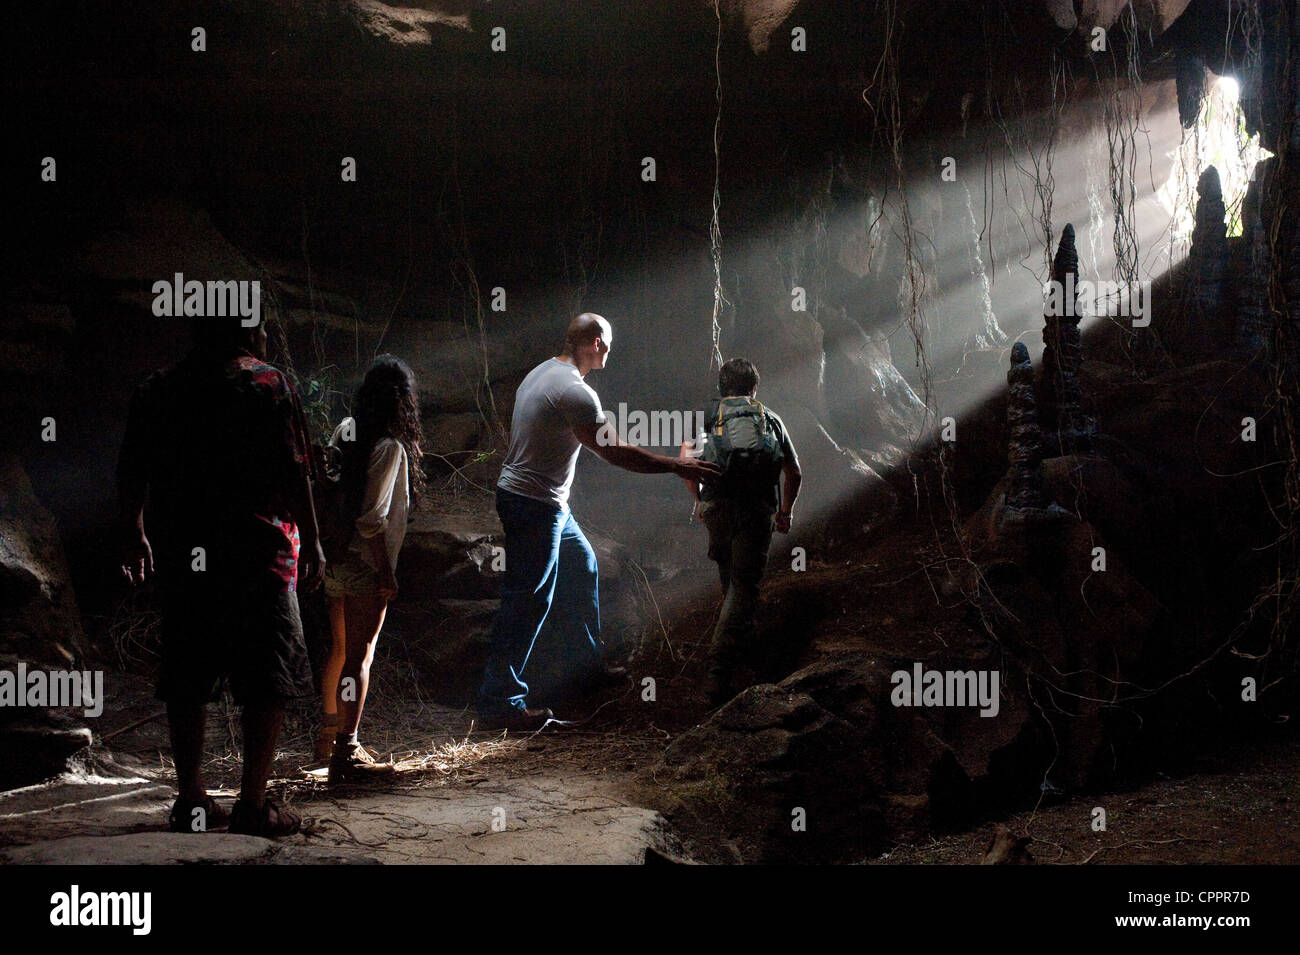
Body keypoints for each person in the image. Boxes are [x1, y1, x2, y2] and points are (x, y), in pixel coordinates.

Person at [118, 313, 324, 838]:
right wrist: (316, 541)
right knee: (267, 675)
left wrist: (133, 533)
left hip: (187, 553)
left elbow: (130, 470)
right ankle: (252, 803)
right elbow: (296, 468)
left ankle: (191, 799)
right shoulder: (268, 383)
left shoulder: (159, 388)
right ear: (246, 332)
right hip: (262, 551)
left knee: (189, 670)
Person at [478, 313, 722, 729]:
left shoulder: (543, 373)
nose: (609, 351)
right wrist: (677, 466)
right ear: (593, 343)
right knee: (528, 599)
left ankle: (584, 668)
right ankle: (501, 701)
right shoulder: (574, 392)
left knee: (582, 564)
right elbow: (617, 453)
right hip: (534, 503)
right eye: (606, 343)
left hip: (544, 500)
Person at [317, 355, 425, 783]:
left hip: (334, 557)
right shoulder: (390, 448)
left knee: (339, 649)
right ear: (403, 402)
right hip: (363, 562)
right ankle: (347, 749)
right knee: (360, 656)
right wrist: (386, 573)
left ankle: (328, 737)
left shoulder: (348, 429)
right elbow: (372, 519)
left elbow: (329, 484)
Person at [679, 358, 801, 707]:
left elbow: (685, 465)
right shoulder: (770, 418)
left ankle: (735, 641)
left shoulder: (705, 416)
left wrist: (699, 502)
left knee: (730, 576)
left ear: (722, 388)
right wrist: (785, 512)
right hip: (757, 510)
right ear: (754, 388)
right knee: (744, 585)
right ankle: (720, 670)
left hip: (717, 507)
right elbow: (794, 471)